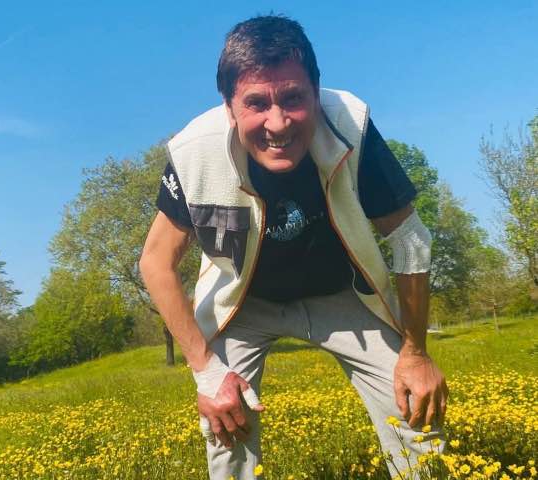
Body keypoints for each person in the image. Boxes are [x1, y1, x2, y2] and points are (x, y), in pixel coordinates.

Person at [139, 14, 448, 480]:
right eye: (256, 103)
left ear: (316, 93)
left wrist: (417, 354)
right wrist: (206, 371)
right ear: (229, 106)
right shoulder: (192, 153)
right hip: (244, 303)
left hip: (343, 293)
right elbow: (156, 261)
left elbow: (410, 238)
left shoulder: (351, 124)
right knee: (225, 421)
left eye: (293, 98)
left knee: (415, 408)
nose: (278, 123)